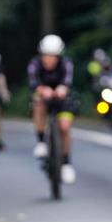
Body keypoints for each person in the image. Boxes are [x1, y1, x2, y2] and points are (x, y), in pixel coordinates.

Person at [27, 35, 77, 184]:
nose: (49, 59)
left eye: (53, 56)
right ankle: (41, 141)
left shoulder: (66, 64)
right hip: (43, 95)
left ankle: (66, 162)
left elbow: (67, 82)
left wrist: (62, 89)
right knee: (38, 103)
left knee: (65, 127)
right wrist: (43, 90)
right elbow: (34, 83)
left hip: (62, 98)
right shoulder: (34, 64)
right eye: (46, 55)